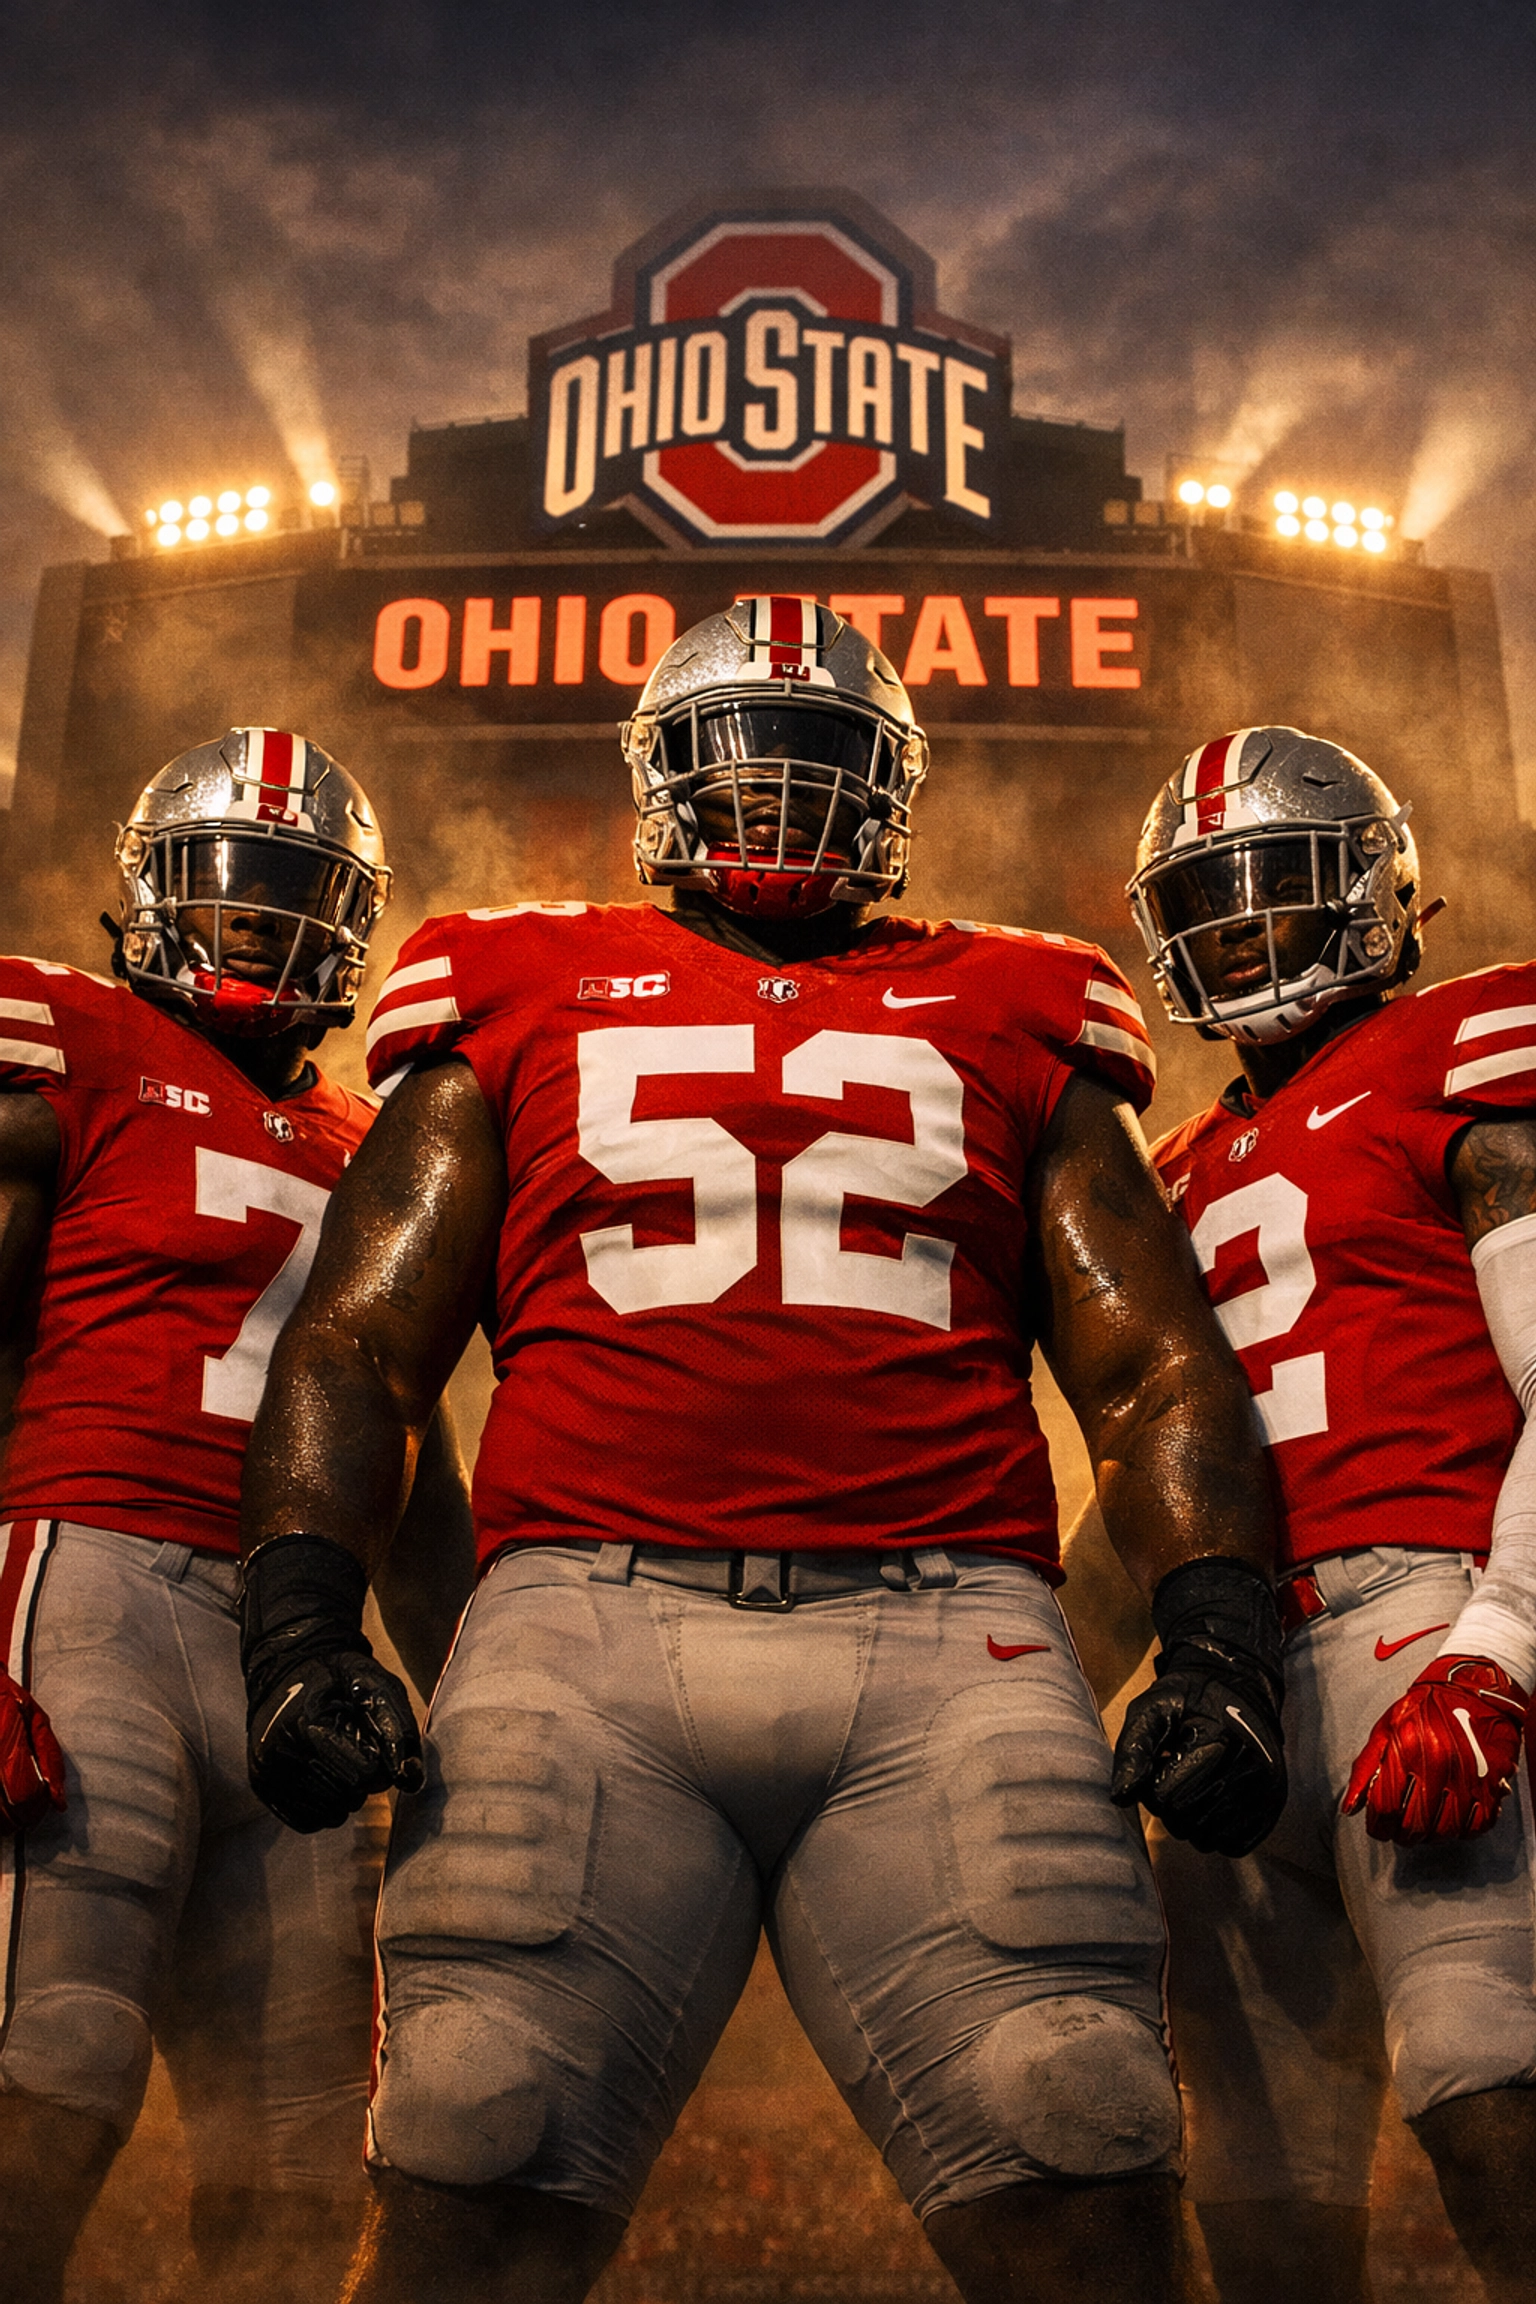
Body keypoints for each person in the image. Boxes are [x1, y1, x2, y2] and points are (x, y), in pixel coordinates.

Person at [238, 598, 1285, 2304]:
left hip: (956, 1639)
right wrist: (295, 1624)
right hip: (583, 1629)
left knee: (1081, 2141)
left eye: (823, 761)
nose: (782, 798)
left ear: (893, 787)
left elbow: (1155, 1368)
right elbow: (357, 1343)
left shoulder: (1022, 1002)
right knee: (472, 2145)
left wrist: (1221, 1637)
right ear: (659, 780)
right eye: (744, 758)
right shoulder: (511, 980)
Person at [0, 728, 474, 2304]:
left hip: (301, 1630)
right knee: (48, 2058)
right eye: (229, 888)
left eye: (295, 895)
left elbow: (401, 1442)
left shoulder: (374, 1140)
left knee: (300, 2144)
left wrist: (486, 1676)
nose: (262, 925)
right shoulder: (65, 1038)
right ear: (143, 893)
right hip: (87, 1578)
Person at [1122, 723, 1536, 2304]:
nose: (1236, 933)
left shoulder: (1459, 1053)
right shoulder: (1177, 1161)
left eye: (1275, 889)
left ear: (1377, 887)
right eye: (1206, 905)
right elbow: (1150, 1480)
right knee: (1257, 2166)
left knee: (1488, 2072)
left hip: (1427, 1619)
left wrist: (1498, 1649)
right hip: (1234, 1668)